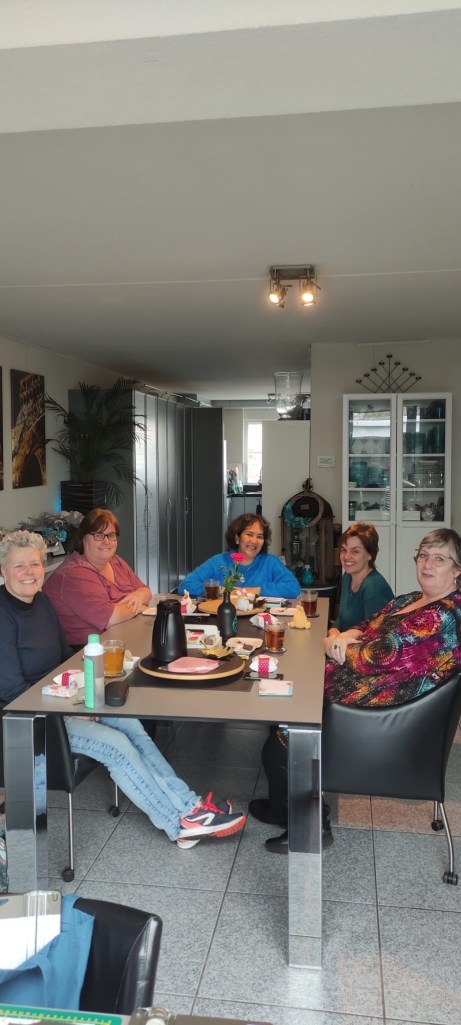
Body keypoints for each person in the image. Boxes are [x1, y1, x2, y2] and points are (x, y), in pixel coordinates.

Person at [0, 530, 246, 848]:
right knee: (116, 745)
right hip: (30, 721)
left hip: (63, 701)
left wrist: (84, 698)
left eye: (34, 564)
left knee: (131, 725)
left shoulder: (42, 602)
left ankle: (190, 806)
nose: (29, 572)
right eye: (19, 566)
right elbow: (13, 692)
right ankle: (178, 825)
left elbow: (63, 658)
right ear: (3, 570)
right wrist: (70, 708)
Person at [260, 528, 461, 852]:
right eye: (423, 555)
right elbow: (368, 625)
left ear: (457, 570)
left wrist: (334, 643)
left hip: (377, 720)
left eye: (439, 559)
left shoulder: (441, 618)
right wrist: (343, 636)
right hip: (359, 696)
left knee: (280, 741)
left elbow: (377, 655)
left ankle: (313, 827)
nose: (427, 564)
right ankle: (281, 808)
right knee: (280, 711)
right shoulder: (412, 599)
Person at [43, 508, 152, 648]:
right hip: (87, 650)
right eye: (99, 535)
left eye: (111, 535)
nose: (106, 542)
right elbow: (111, 618)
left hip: (122, 637)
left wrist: (137, 596)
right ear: (83, 538)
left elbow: (146, 591)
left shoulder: (116, 561)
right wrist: (139, 606)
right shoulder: (74, 574)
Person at [178, 513, 300, 598]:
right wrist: (222, 590)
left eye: (259, 536)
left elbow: (293, 588)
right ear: (237, 538)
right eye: (249, 534)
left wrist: (255, 590)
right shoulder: (219, 561)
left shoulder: (271, 562)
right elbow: (186, 585)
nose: (254, 541)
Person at [326, 523, 393, 644]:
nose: (346, 557)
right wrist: (334, 629)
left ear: (370, 555)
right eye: (343, 550)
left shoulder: (373, 587)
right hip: (343, 645)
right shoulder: (347, 577)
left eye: (355, 551)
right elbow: (343, 617)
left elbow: (375, 637)